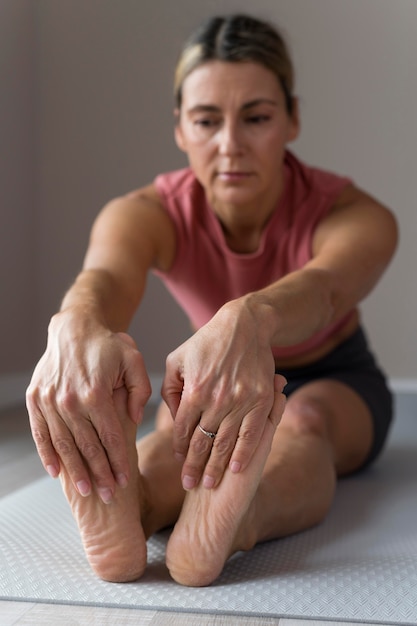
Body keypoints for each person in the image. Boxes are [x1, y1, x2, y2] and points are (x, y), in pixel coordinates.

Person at [26, 13, 398, 587]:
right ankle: (133, 505)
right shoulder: (146, 213)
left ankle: (234, 521)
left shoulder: (357, 216)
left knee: (304, 420)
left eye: (256, 117)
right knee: (173, 440)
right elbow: (107, 279)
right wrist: (75, 323)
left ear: (292, 119)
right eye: (206, 120)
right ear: (180, 128)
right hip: (211, 382)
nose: (230, 146)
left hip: (333, 376)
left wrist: (250, 316)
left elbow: (325, 291)